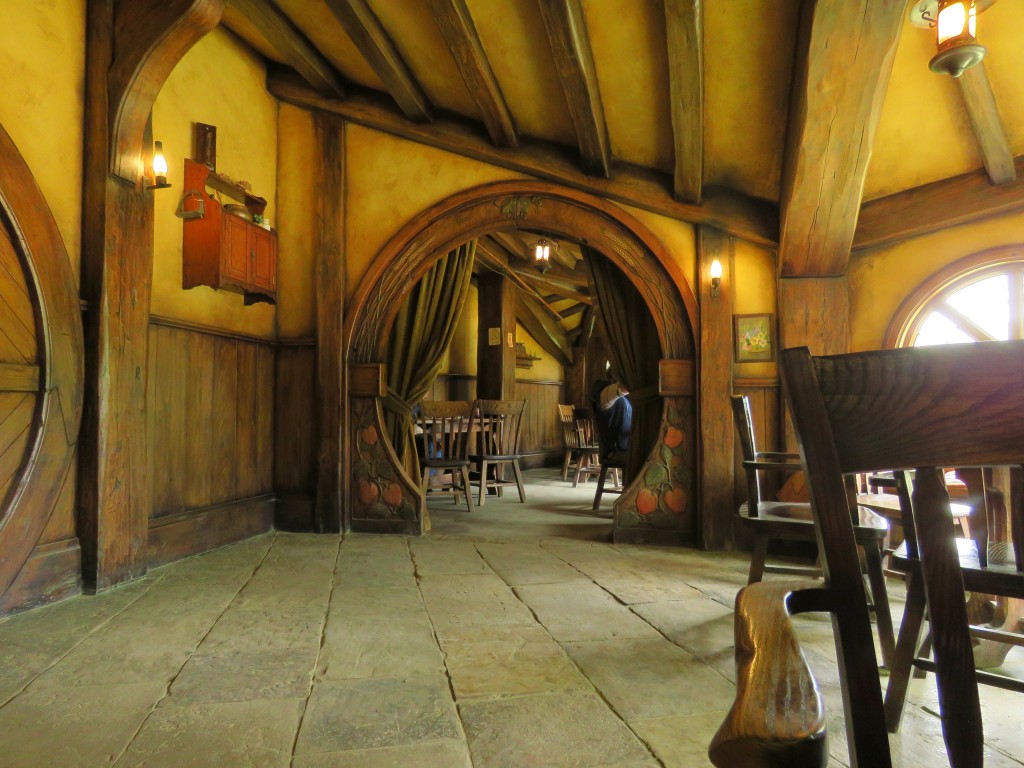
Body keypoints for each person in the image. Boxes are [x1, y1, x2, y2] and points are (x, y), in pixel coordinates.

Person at [591, 370, 631, 457]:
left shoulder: (625, 397)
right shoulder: (607, 393)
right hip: (616, 451)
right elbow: (622, 389)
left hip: (627, 448)